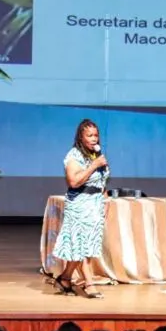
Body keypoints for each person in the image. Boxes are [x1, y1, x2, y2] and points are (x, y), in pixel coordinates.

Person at [52, 119, 110, 299]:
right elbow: (74, 181)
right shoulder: (74, 156)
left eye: (96, 135)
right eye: (89, 135)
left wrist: (104, 199)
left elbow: (102, 181)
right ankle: (89, 284)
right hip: (79, 203)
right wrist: (94, 166)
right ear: (81, 137)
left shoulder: (95, 155)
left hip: (95, 204)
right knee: (81, 245)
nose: (94, 139)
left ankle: (65, 278)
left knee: (87, 245)